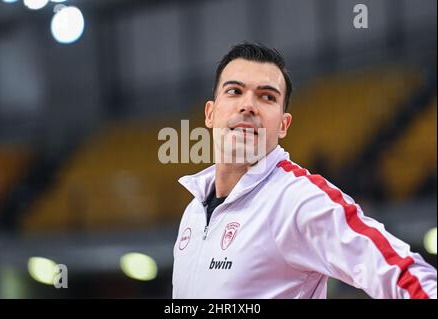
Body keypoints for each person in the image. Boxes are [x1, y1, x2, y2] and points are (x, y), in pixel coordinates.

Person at [172, 42, 437, 299]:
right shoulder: (193, 212)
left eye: (267, 97)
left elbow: (399, 270)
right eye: (234, 91)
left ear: (284, 125)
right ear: (210, 113)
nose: (248, 105)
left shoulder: (300, 200)